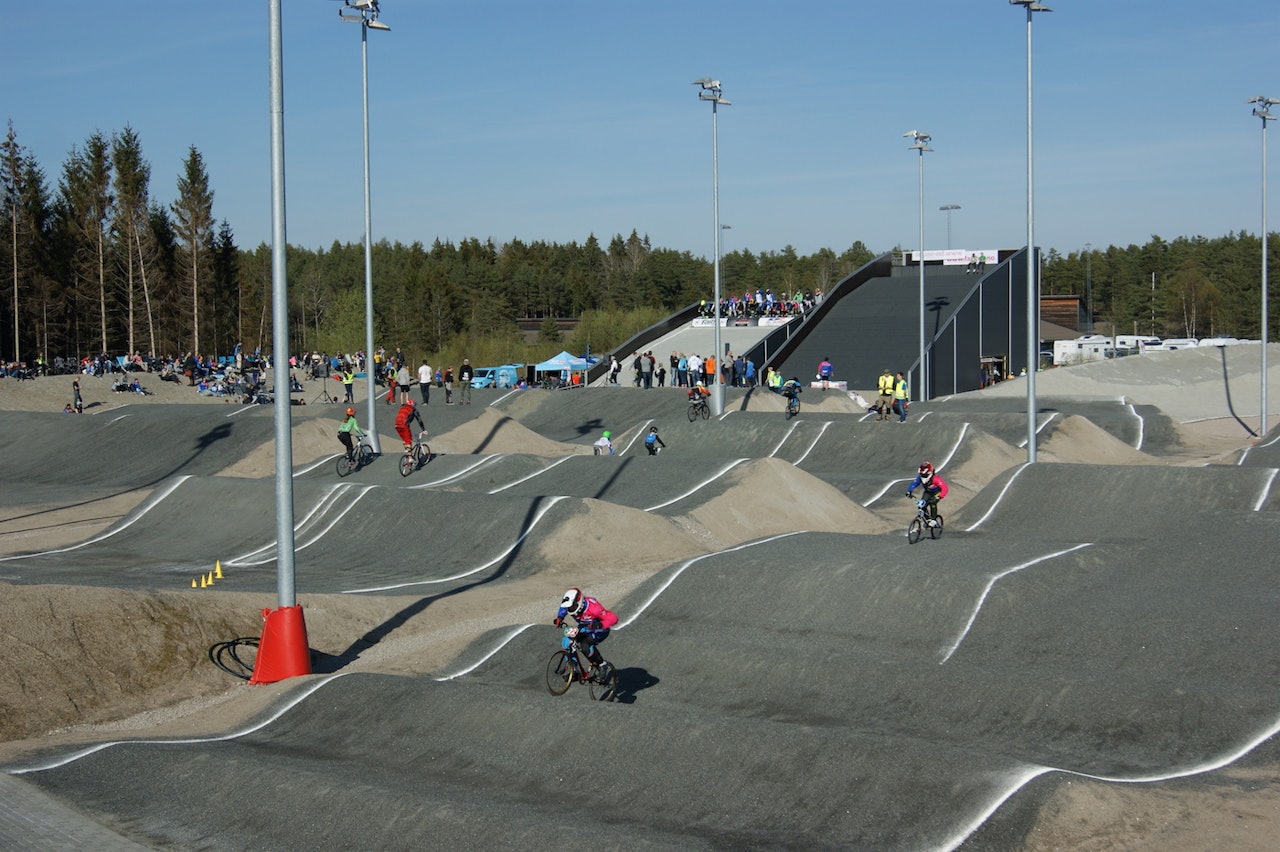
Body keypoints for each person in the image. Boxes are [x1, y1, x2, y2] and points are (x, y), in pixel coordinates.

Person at [553, 588, 618, 676]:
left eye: (572, 607)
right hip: (585, 627)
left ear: (579, 603)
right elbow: (564, 607)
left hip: (599, 630)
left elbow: (613, 618)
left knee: (585, 646)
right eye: (569, 607)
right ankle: (575, 671)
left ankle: (602, 664)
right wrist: (560, 617)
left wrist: (600, 624)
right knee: (567, 642)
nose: (570, 609)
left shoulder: (594, 608)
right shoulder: (571, 605)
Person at [905, 461, 949, 526]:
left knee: (932, 502)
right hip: (928, 492)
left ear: (929, 473)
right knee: (921, 505)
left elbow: (945, 488)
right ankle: (928, 519)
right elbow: (914, 483)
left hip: (937, 492)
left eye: (924, 475)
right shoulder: (920, 478)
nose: (923, 476)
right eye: (922, 475)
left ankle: (933, 520)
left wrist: (939, 496)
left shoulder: (936, 479)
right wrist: (909, 491)